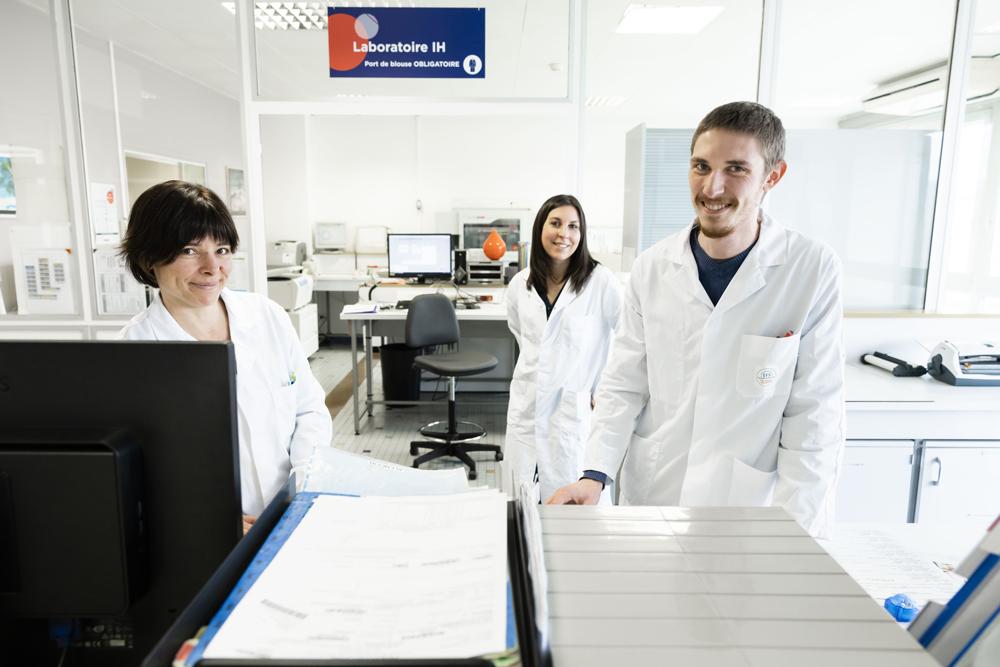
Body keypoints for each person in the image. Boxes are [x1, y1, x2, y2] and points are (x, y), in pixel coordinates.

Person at [547, 102, 845, 538]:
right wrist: (594, 475)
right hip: (655, 493)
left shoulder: (810, 269)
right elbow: (625, 384)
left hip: (745, 506)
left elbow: (814, 415)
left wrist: (797, 533)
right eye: (701, 166)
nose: (712, 186)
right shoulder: (652, 267)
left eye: (736, 169)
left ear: (772, 177)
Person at [118, 180, 332, 529]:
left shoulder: (267, 316)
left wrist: (303, 487)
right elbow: (138, 472)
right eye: (189, 250)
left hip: (291, 513)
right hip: (202, 535)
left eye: (221, 250)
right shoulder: (134, 351)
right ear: (148, 258)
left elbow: (309, 410)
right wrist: (214, 522)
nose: (212, 267)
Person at [505, 194, 623, 501]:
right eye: (555, 223)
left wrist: (604, 386)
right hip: (527, 404)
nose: (564, 234)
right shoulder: (520, 284)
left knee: (574, 505)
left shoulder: (601, 282)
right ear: (540, 228)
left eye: (573, 226)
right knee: (523, 504)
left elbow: (627, 337)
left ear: (582, 234)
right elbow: (523, 335)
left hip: (574, 410)